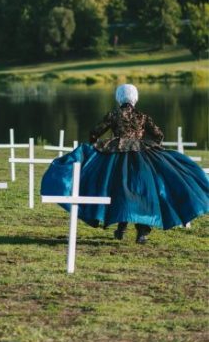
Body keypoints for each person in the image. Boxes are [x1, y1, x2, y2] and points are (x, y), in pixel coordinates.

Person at [40, 84, 208, 243]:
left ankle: (121, 228)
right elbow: (158, 134)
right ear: (135, 98)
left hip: (116, 155)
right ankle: (142, 232)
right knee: (143, 190)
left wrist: (96, 145)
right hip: (142, 155)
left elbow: (95, 132)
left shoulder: (113, 115)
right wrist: (151, 145)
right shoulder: (143, 116)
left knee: (120, 188)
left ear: (119, 98)